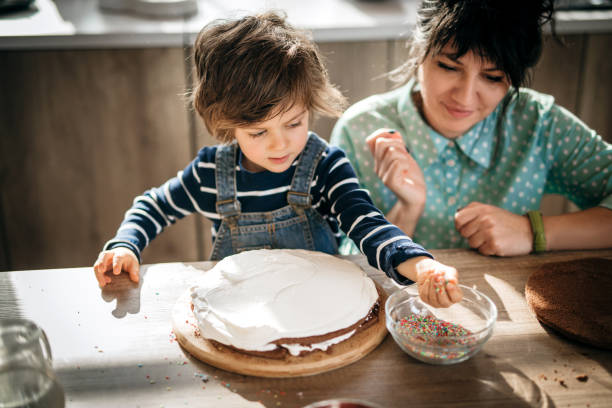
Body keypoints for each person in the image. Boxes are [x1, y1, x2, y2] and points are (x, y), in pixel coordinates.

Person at [93, 12, 463, 307]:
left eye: (294, 122)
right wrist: (125, 246)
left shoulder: (324, 167)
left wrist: (424, 266)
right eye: (258, 132)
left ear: (310, 107)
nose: (280, 144)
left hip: (320, 307)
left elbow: (366, 222)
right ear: (228, 126)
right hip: (239, 310)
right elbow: (153, 206)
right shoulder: (210, 173)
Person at [331, 0, 612, 256]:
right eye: (449, 67)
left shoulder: (540, 125)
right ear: (419, 50)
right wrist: (406, 210)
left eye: (492, 77)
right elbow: (346, 267)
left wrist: (534, 232)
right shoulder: (360, 129)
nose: (464, 98)